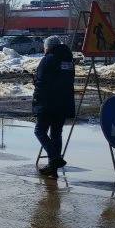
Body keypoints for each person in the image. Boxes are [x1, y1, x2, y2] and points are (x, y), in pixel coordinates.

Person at [32, 35, 75, 178]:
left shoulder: (48, 60)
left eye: (45, 47)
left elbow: (41, 82)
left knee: (39, 131)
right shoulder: (68, 60)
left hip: (48, 102)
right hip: (64, 102)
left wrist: (37, 98)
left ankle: (55, 158)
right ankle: (53, 168)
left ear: (48, 47)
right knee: (56, 133)